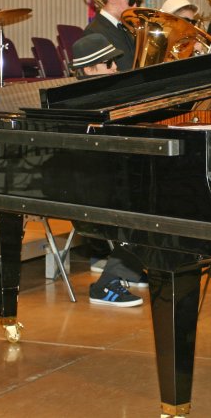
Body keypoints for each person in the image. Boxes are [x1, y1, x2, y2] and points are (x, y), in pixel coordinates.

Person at [67, 32, 148, 308]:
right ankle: (107, 284)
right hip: (88, 185)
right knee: (149, 207)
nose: (116, 68)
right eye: (109, 64)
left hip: (106, 178)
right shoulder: (80, 103)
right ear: (89, 70)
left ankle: (132, 266)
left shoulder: (104, 97)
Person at [83, 0, 144, 72]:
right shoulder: (93, 31)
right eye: (131, 1)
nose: (135, 6)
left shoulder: (126, 28)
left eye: (137, 2)